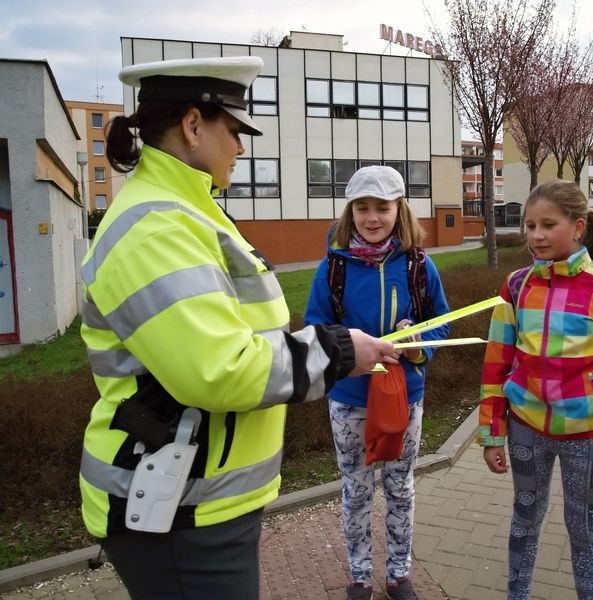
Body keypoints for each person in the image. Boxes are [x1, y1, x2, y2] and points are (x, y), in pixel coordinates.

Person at [78, 56, 396, 600]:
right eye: (235, 130)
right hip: (176, 508)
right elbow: (220, 368)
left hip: (197, 496)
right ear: (193, 125)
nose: (242, 149)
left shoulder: (187, 210)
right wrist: (341, 350)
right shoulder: (157, 227)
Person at [477, 179, 593, 600]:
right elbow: (496, 362)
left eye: (547, 225)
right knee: (525, 518)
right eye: (528, 226)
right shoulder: (515, 287)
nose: (535, 236)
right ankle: (517, 594)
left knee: (584, 526)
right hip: (525, 429)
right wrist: (491, 431)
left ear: (578, 227)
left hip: (589, 437)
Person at [304, 166, 451, 600]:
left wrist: (418, 343)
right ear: (351, 211)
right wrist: (350, 351)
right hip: (349, 400)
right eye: (363, 208)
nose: (372, 218)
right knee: (355, 490)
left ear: (398, 209)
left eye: (382, 208)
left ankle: (400, 575)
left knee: (401, 487)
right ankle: (360, 577)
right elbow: (316, 329)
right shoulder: (333, 268)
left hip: (406, 396)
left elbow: (442, 324)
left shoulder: (420, 266)